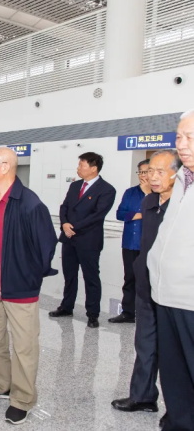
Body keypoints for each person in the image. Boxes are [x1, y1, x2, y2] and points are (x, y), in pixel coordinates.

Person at [0, 147, 57, 425]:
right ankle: (0, 385)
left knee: (24, 347)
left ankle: (22, 399)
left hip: (18, 288)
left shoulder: (29, 204)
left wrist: (27, 276)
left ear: (5, 167)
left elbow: (46, 247)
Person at [111, 150, 178, 419]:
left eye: (160, 172)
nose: (153, 177)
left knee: (175, 350)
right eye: (150, 172)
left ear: (177, 174)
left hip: (175, 290)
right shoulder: (149, 200)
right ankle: (142, 396)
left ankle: (179, 409)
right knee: (145, 343)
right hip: (147, 284)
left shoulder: (184, 204)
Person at [148, 111, 194, 431]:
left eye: (190, 137)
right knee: (174, 372)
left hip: (190, 298)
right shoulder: (181, 180)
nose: (182, 144)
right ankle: (179, 423)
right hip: (165, 294)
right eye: (179, 136)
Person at [50, 152, 116, 328]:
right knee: (69, 275)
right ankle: (66, 307)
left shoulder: (106, 189)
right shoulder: (75, 186)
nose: (78, 168)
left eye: (81, 165)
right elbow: (64, 206)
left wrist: (74, 227)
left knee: (91, 277)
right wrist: (64, 224)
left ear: (93, 168)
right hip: (69, 238)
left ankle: (93, 314)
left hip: (88, 240)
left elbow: (98, 215)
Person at [110, 159, 151, 323]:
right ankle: (128, 312)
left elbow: (158, 214)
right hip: (130, 242)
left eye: (146, 172)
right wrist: (140, 214)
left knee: (148, 280)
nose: (142, 175)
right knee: (130, 278)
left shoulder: (159, 194)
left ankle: (148, 314)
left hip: (149, 244)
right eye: (140, 172)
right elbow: (120, 214)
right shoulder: (130, 192)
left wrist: (147, 195)